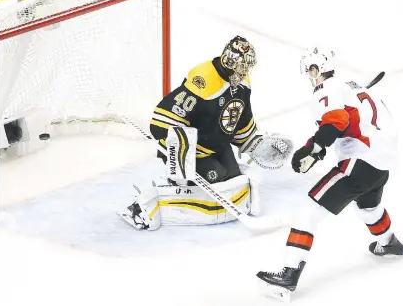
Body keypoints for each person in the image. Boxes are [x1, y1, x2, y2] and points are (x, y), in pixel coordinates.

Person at [256, 47, 403, 301]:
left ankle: (288, 275)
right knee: (368, 207)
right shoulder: (356, 88)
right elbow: (351, 123)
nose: (309, 77)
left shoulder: (326, 89)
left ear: (316, 70)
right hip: (383, 164)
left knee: (308, 209)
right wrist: (318, 148)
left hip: (359, 161)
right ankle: (388, 241)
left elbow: (336, 122)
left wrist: (313, 148)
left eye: (310, 71)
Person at [118, 36, 292, 231]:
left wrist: (256, 144)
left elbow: (241, 121)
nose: (245, 72)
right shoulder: (204, 80)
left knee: (232, 177)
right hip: (193, 151)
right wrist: (177, 147)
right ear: (230, 62)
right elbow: (165, 117)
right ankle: (144, 205)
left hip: (218, 145)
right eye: (242, 67)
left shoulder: (243, 83)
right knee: (216, 177)